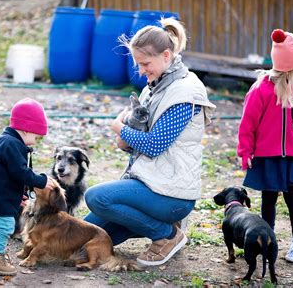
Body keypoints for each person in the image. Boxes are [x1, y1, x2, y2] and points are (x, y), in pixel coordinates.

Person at [84, 17, 216, 267]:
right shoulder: (153, 87)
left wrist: (118, 127)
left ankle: (166, 235)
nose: (141, 70)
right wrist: (125, 139)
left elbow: (155, 145)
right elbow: (137, 141)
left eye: (145, 63)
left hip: (170, 194)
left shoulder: (186, 92)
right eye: (137, 64)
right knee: (85, 237)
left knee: (97, 198)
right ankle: (154, 224)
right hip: (148, 182)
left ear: (166, 55)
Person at [237, 29, 293, 263]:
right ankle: (267, 238)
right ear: (290, 68)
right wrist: (245, 151)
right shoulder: (260, 91)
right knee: (269, 199)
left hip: (292, 157)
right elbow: (247, 124)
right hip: (267, 156)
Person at [0, 98, 54, 276]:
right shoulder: (13, 145)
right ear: (26, 129)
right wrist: (41, 180)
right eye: (35, 136)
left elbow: (2, 173)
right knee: (5, 226)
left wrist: (18, 193)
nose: (34, 142)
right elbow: (20, 172)